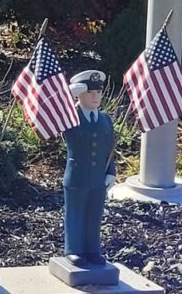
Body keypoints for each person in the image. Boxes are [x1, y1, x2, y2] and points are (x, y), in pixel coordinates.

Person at [62, 70, 116, 267]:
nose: (95, 97)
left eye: (98, 92)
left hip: (97, 177)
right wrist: (69, 95)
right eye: (89, 92)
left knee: (94, 215)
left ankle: (92, 250)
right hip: (76, 176)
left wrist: (111, 171)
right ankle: (73, 250)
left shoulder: (105, 119)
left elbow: (108, 148)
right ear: (79, 94)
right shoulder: (70, 117)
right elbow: (55, 111)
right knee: (75, 214)